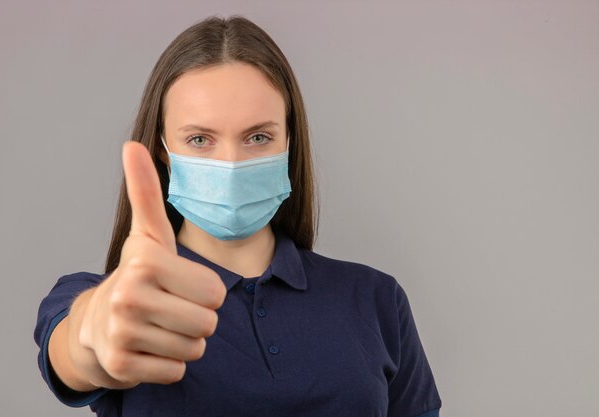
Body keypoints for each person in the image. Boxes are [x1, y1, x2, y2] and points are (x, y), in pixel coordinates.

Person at [33, 14, 442, 417]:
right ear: (162, 150)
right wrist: (95, 332)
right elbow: (76, 347)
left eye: (258, 137)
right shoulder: (123, 301)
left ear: (288, 143)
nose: (230, 163)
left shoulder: (374, 298)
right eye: (199, 139)